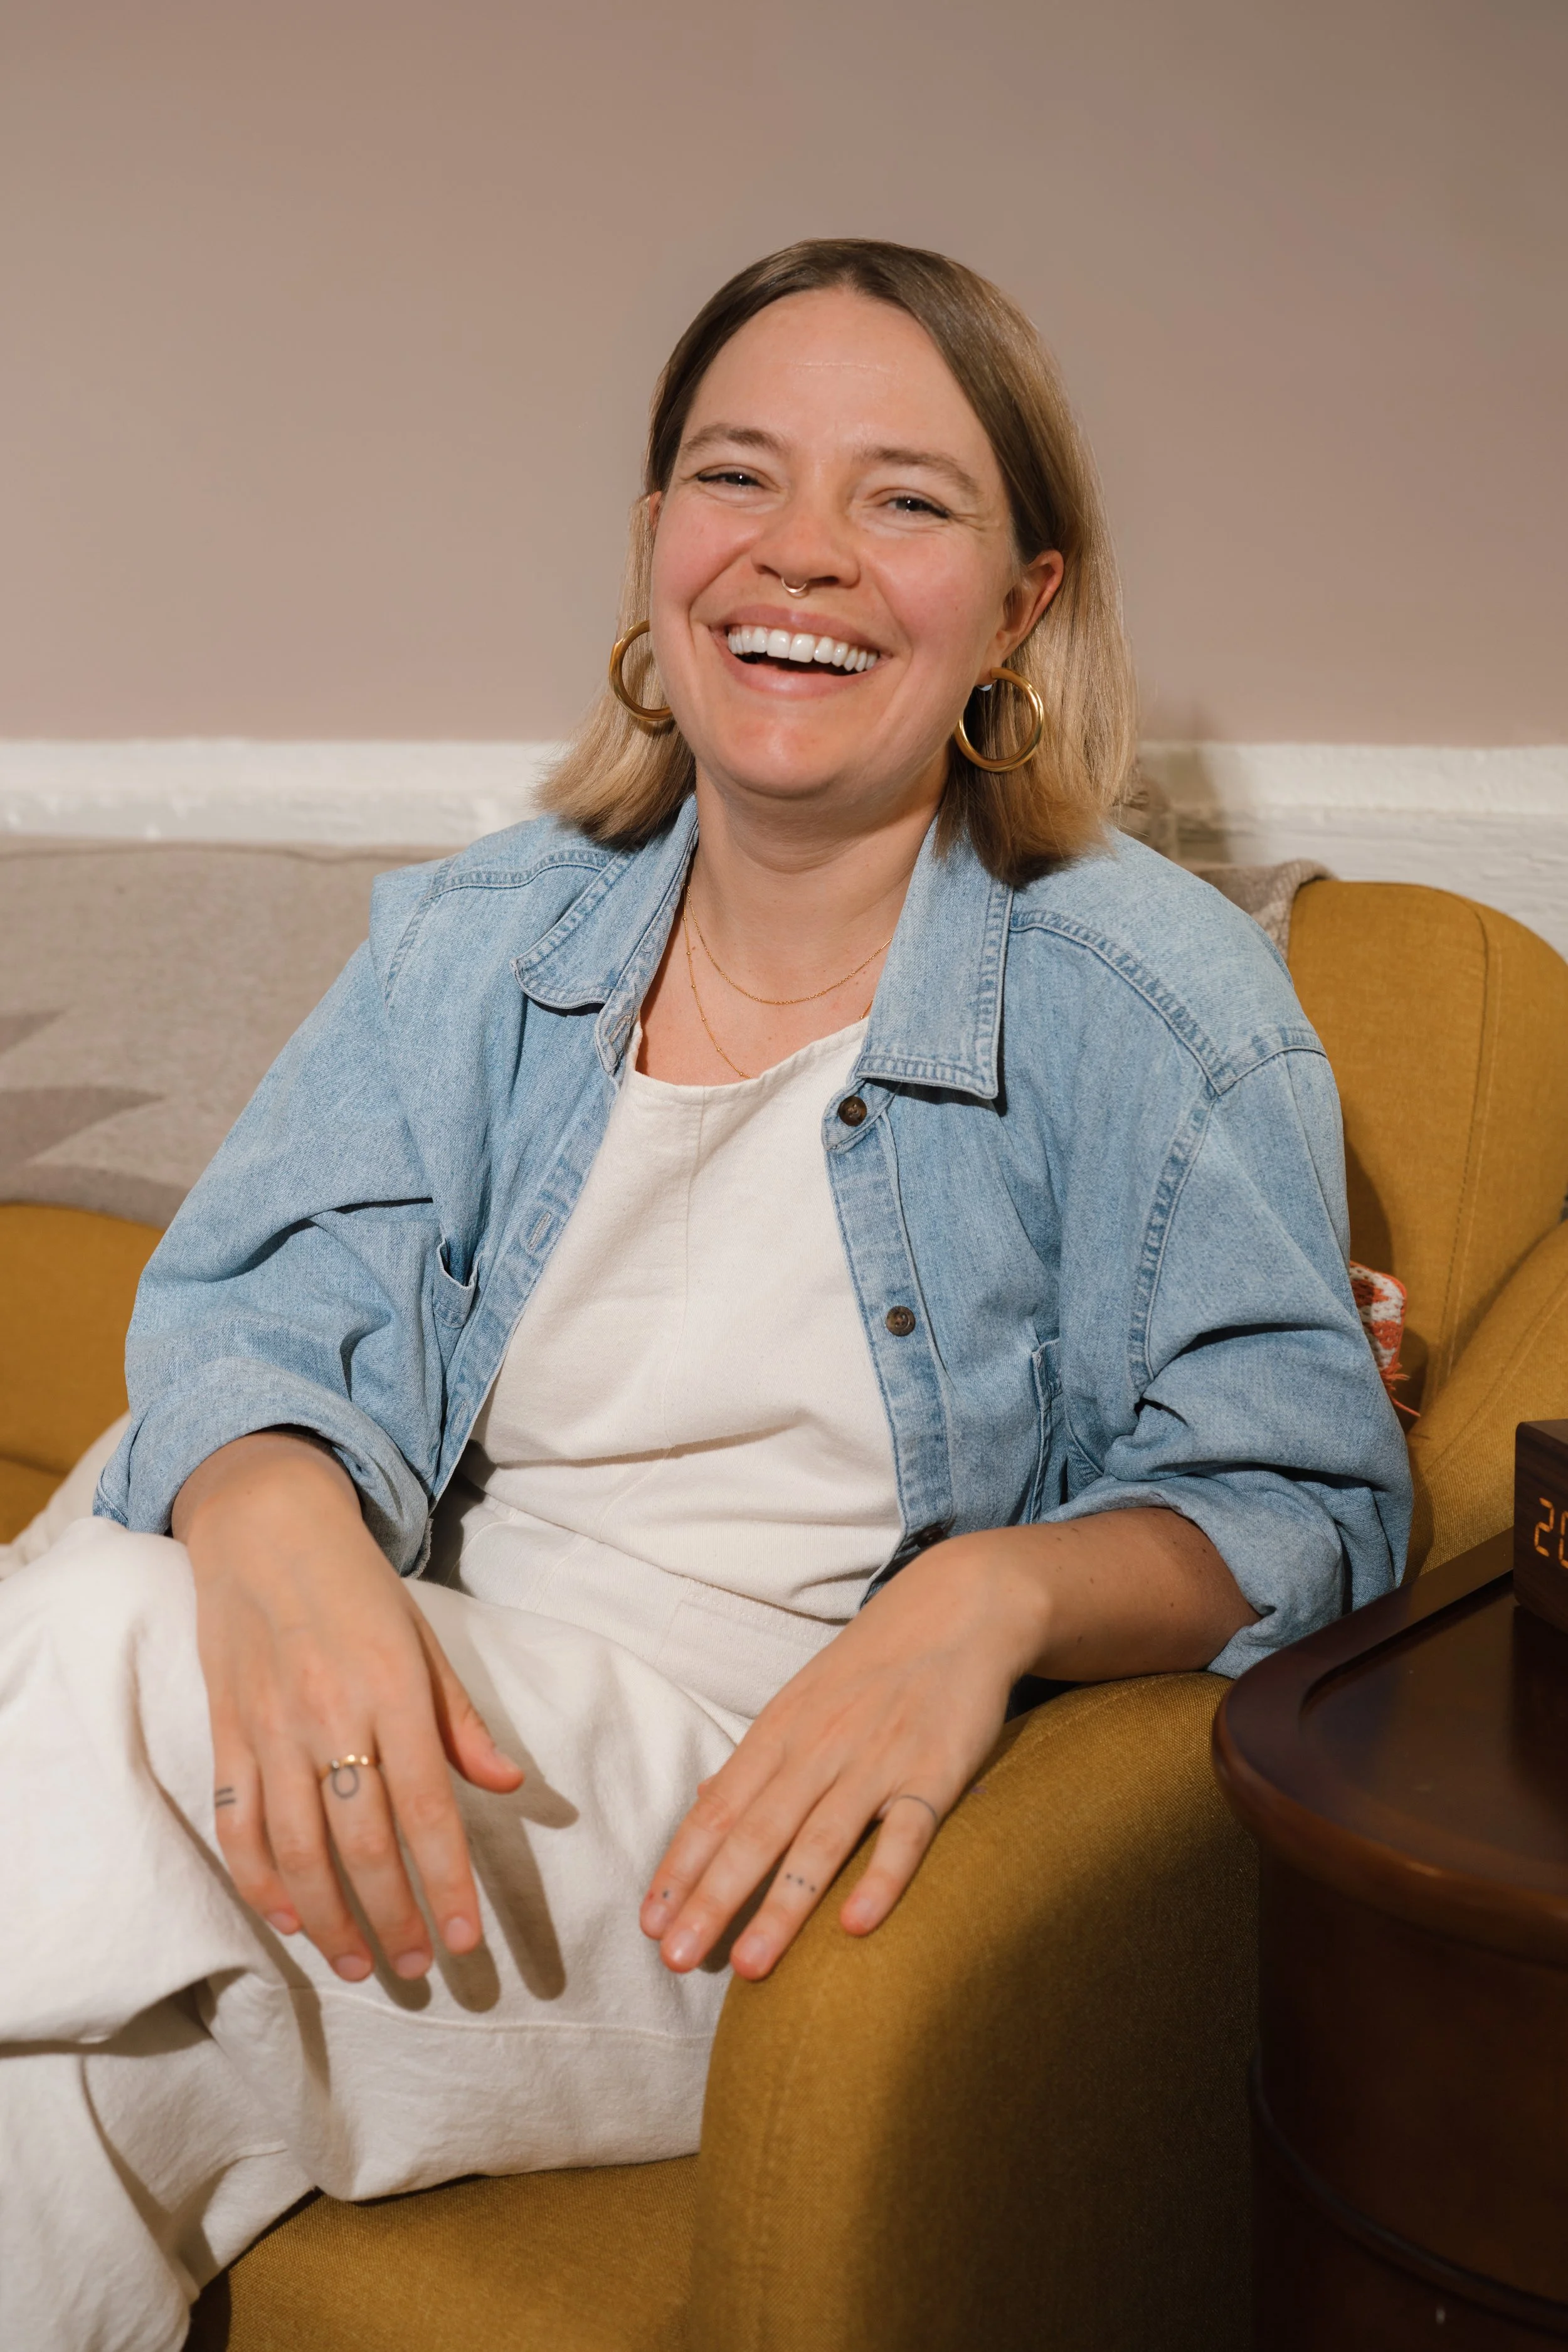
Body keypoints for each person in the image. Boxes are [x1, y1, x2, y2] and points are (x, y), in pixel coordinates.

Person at [0, 239, 1411, 2351]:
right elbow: (261, 1307)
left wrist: (991, 1596)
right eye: (734, 475)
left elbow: (1313, 1492)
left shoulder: (1147, 1001)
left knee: (108, 1622)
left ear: (1023, 600)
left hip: (721, 1847)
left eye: (905, 498)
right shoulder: (484, 937)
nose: (802, 554)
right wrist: (272, 1504)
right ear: (655, 539)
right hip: (360, 1702)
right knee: (68, 2094)